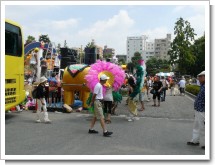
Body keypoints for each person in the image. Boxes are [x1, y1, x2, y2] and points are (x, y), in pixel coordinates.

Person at [187, 71, 205, 149]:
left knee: (203, 127)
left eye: (200, 76)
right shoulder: (203, 86)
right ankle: (195, 140)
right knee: (196, 126)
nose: (198, 78)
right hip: (198, 109)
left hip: (203, 110)